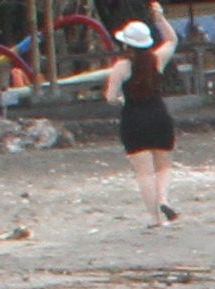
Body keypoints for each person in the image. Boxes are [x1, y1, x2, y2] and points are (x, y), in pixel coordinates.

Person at [66, 18, 177, 223]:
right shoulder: (157, 59)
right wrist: (160, 17)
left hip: (133, 119)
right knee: (164, 166)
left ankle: (155, 219)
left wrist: (121, 98)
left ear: (126, 44)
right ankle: (163, 197)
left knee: (144, 173)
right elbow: (172, 39)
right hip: (159, 115)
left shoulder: (121, 66)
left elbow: (110, 97)